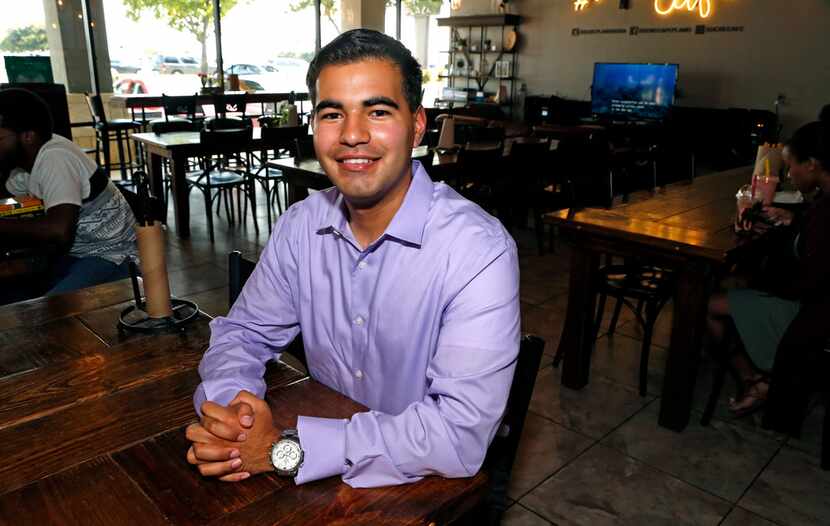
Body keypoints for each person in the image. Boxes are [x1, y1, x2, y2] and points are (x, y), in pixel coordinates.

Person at [185, 29, 520, 487]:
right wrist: (235, 411)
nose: (352, 135)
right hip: (323, 465)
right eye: (332, 114)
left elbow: (457, 434)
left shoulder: (478, 250)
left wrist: (286, 449)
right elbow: (243, 333)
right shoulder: (301, 226)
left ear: (417, 124)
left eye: (378, 111)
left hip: (427, 488)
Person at [707, 112, 830, 416]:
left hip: (812, 312)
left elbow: (807, 282)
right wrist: (795, 219)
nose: (789, 174)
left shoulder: (826, 214)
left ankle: (756, 380)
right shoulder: (823, 204)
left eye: (791, 166)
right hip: (815, 300)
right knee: (734, 282)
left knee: (708, 303)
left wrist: (760, 281)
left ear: (812, 164)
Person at [0, 88, 137, 301]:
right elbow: (11, 197)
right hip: (77, 252)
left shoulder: (55, 159)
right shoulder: (25, 163)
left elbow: (58, 230)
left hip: (113, 257)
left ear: (28, 136)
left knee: (48, 314)